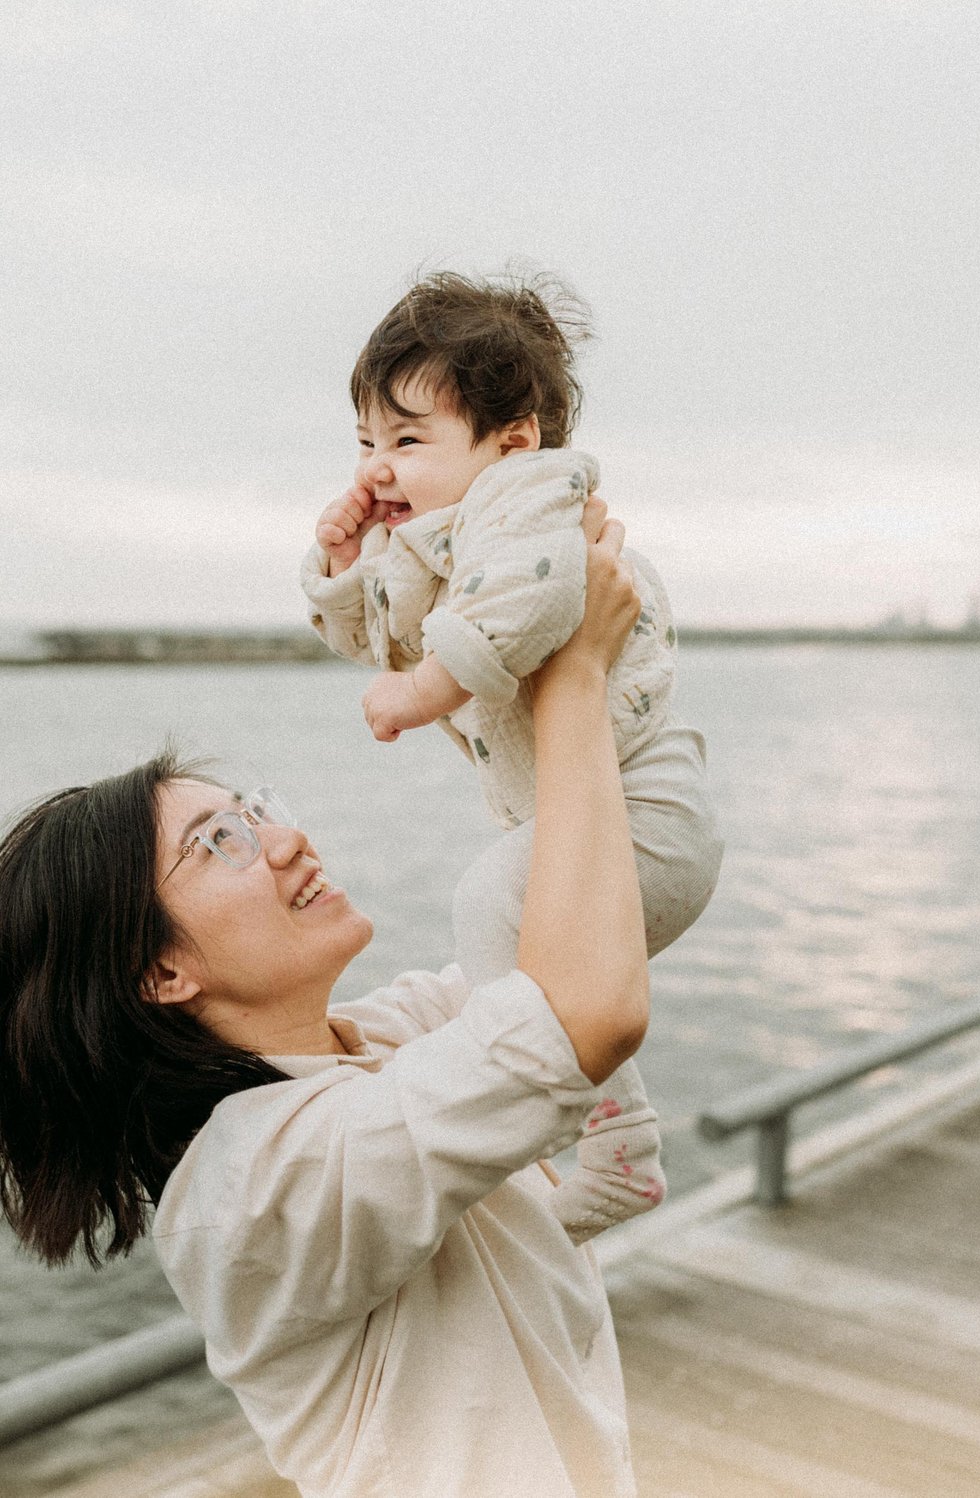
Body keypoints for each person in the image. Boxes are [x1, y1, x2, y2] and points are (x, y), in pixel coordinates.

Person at [1, 507, 650, 1497]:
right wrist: (578, 682)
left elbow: (573, 919)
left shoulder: (380, 1039)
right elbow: (583, 1012)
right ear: (159, 974)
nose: (285, 841)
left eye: (253, 812)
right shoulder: (251, 1188)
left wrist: (448, 574)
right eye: (218, 843)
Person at [302, 270, 723, 1243]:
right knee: (499, 935)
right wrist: (340, 564)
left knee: (491, 904)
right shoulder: (441, 539)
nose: (379, 467)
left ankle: (614, 1145)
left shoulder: (531, 502)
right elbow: (377, 632)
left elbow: (518, 611)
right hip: (602, 818)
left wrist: (415, 693)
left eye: (408, 440)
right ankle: (576, 1141)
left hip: (648, 806)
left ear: (513, 440)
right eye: (367, 442)